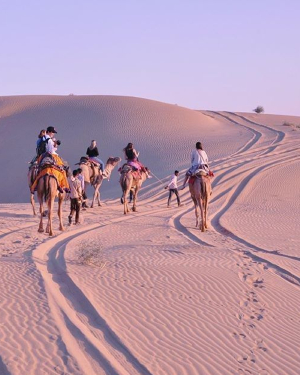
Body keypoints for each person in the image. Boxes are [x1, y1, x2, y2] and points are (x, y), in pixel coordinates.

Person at [30, 126, 69, 194]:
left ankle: (34, 185)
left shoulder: (41, 139)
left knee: (37, 169)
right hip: (51, 155)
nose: (53, 134)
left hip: (41, 156)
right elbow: (51, 150)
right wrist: (55, 145)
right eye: (52, 132)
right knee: (63, 169)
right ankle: (64, 186)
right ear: (49, 132)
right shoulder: (50, 140)